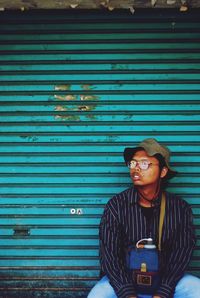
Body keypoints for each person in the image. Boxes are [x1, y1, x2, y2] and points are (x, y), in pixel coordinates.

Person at [88, 138, 200, 298]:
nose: (136, 169)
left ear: (163, 171)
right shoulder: (116, 205)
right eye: (133, 164)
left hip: (166, 281)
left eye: (145, 164)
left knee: (197, 290)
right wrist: (127, 292)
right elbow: (109, 256)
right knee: (97, 295)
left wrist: (163, 292)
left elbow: (181, 254)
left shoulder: (179, 208)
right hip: (123, 281)